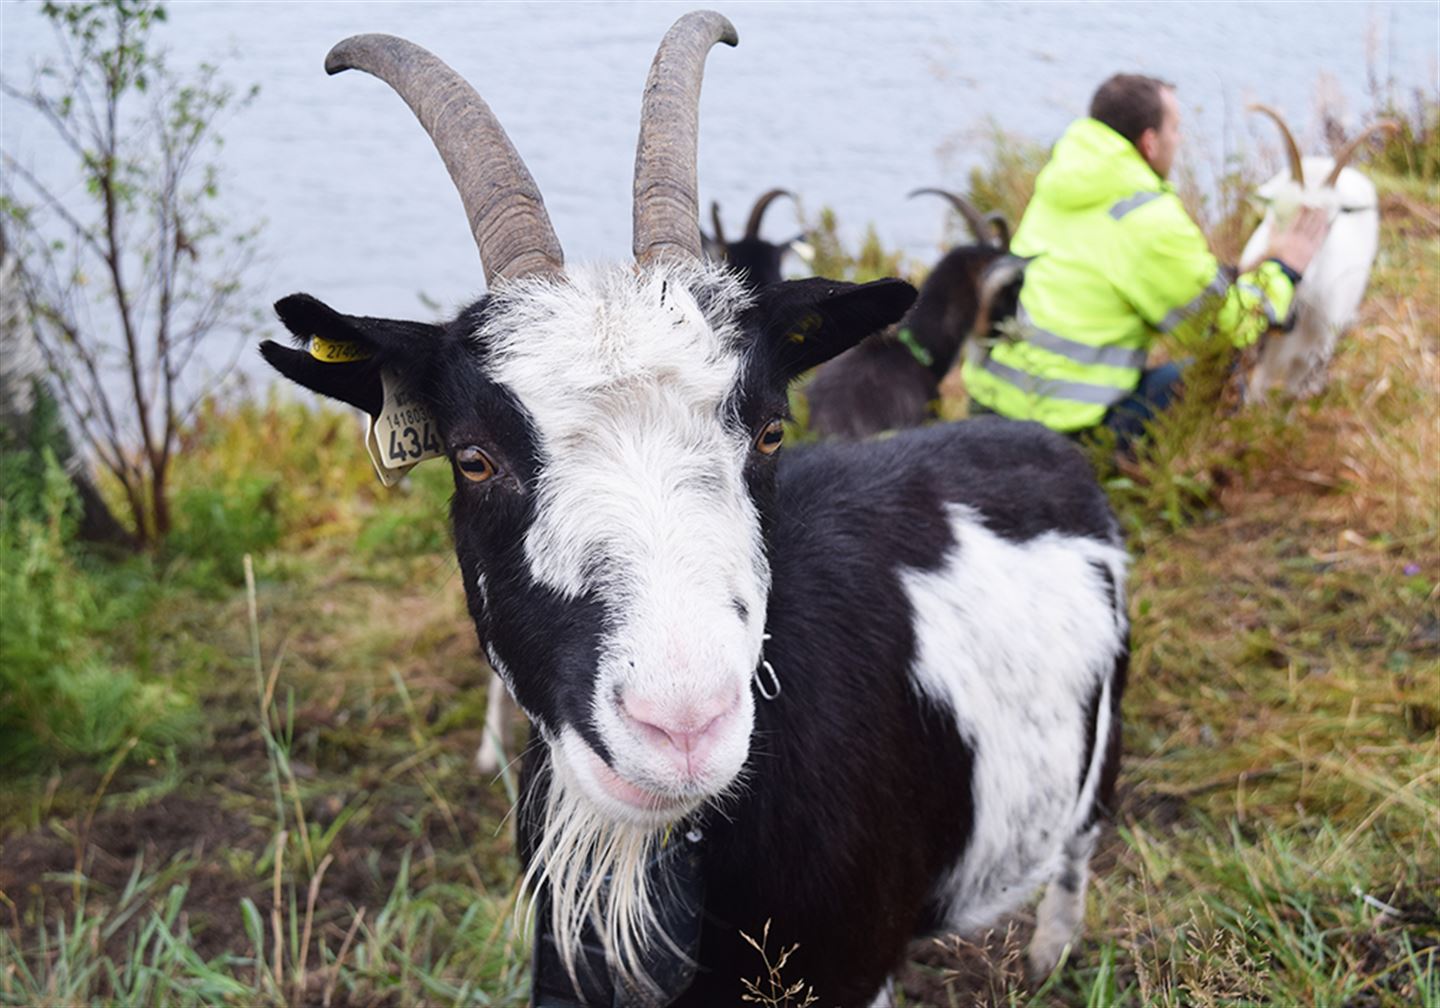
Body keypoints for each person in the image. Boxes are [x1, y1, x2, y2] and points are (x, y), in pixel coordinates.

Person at [961, 73, 1331, 445]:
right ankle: (1165, 487)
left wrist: (1236, 272)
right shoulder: (1147, 217)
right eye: (1175, 129)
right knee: (1223, 365)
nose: (1180, 140)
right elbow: (1229, 326)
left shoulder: (1060, 182)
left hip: (986, 416)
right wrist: (1286, 268)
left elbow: (1104, 266)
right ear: (1150, 142)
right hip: (1064, 438)